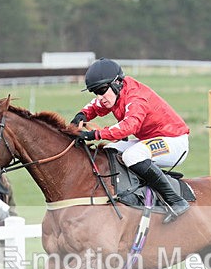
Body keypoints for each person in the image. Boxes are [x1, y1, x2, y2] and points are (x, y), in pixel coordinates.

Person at [71, 58, 190, 223]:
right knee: (110, 150)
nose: (100, 96)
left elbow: (128, 127)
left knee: (132, 156)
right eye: (96, 92)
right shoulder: (116, 92)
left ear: (117, 83)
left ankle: (176, 201)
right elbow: (97, 105)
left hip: (174, 141)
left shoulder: (136, 97)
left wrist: (95, 135)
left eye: (102, 90)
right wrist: (82, 115)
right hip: (152, 139)